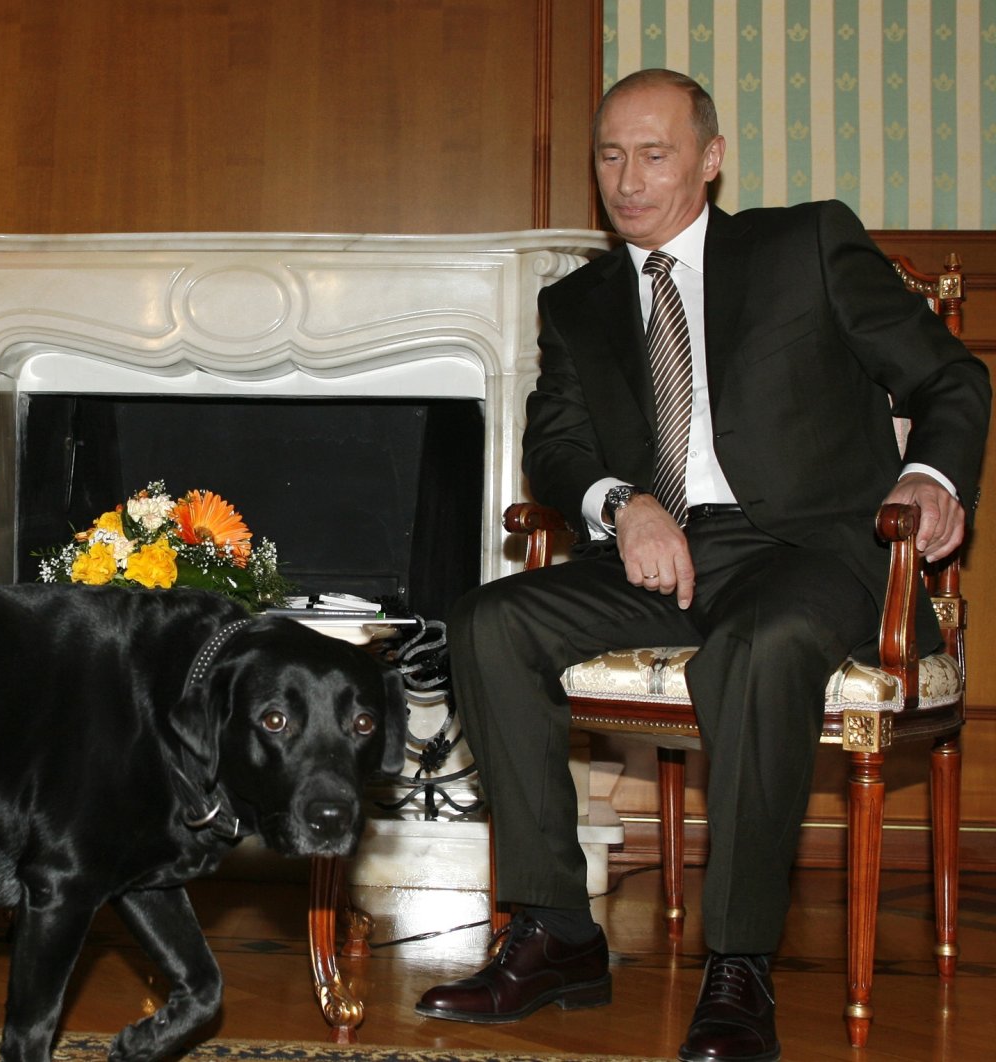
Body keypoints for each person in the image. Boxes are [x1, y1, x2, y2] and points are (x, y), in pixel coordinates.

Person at [415, 68, 989, 1062]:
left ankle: (738, 963)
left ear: (711, 160)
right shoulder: (578, 302)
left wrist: (930, 476)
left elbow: (949, 376)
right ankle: (554, 931)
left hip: (812, 550)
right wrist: (621, 502)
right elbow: (553, 447)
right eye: (608, 156)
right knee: (489, 619)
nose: (627, 179)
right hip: (667, 556)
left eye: (655, 153)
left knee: (757, 645)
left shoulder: (802, 245)